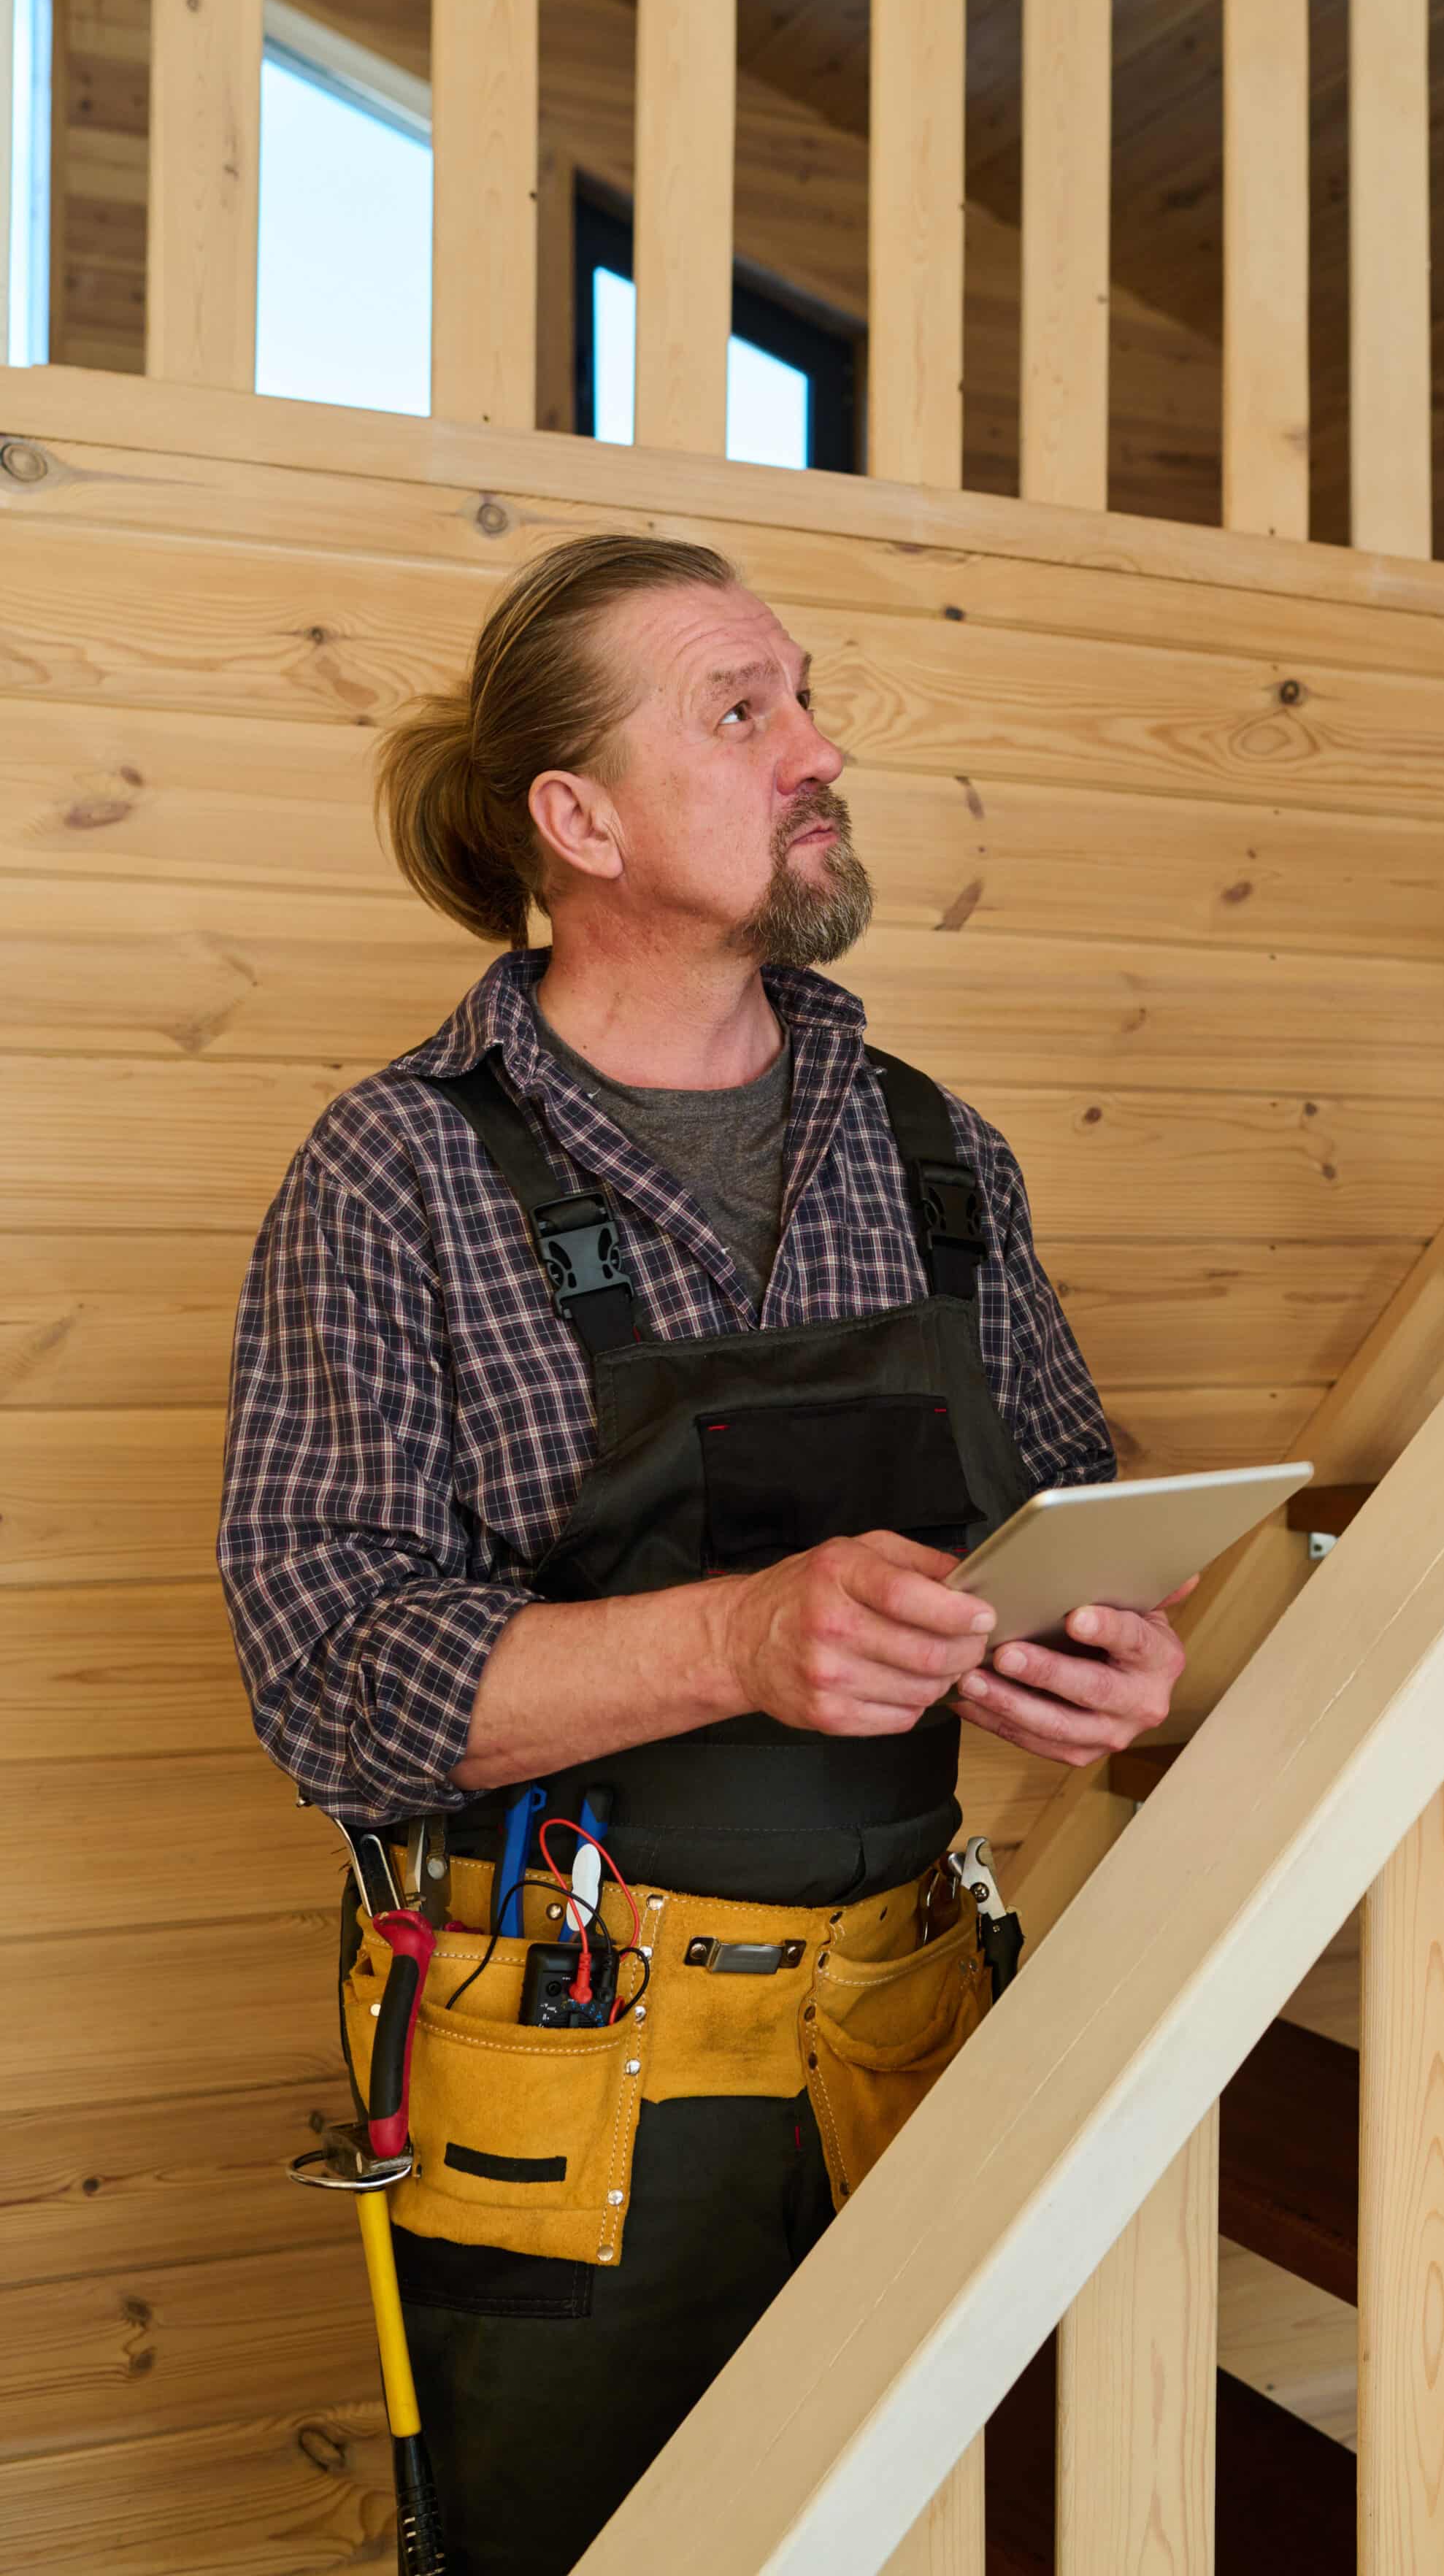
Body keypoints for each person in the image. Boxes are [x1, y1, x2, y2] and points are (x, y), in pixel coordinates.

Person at [220, 534, 1186, 2576]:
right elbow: (331, 1679)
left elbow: (1065, 1512)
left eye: (806, 700)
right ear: (576, 819)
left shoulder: (935, 1150)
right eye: (742, 714)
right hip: (565, 2076)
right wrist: (740, 1638)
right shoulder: (398, 1172)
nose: (818, 750)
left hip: (909, 2032)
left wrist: (1100, 1653)